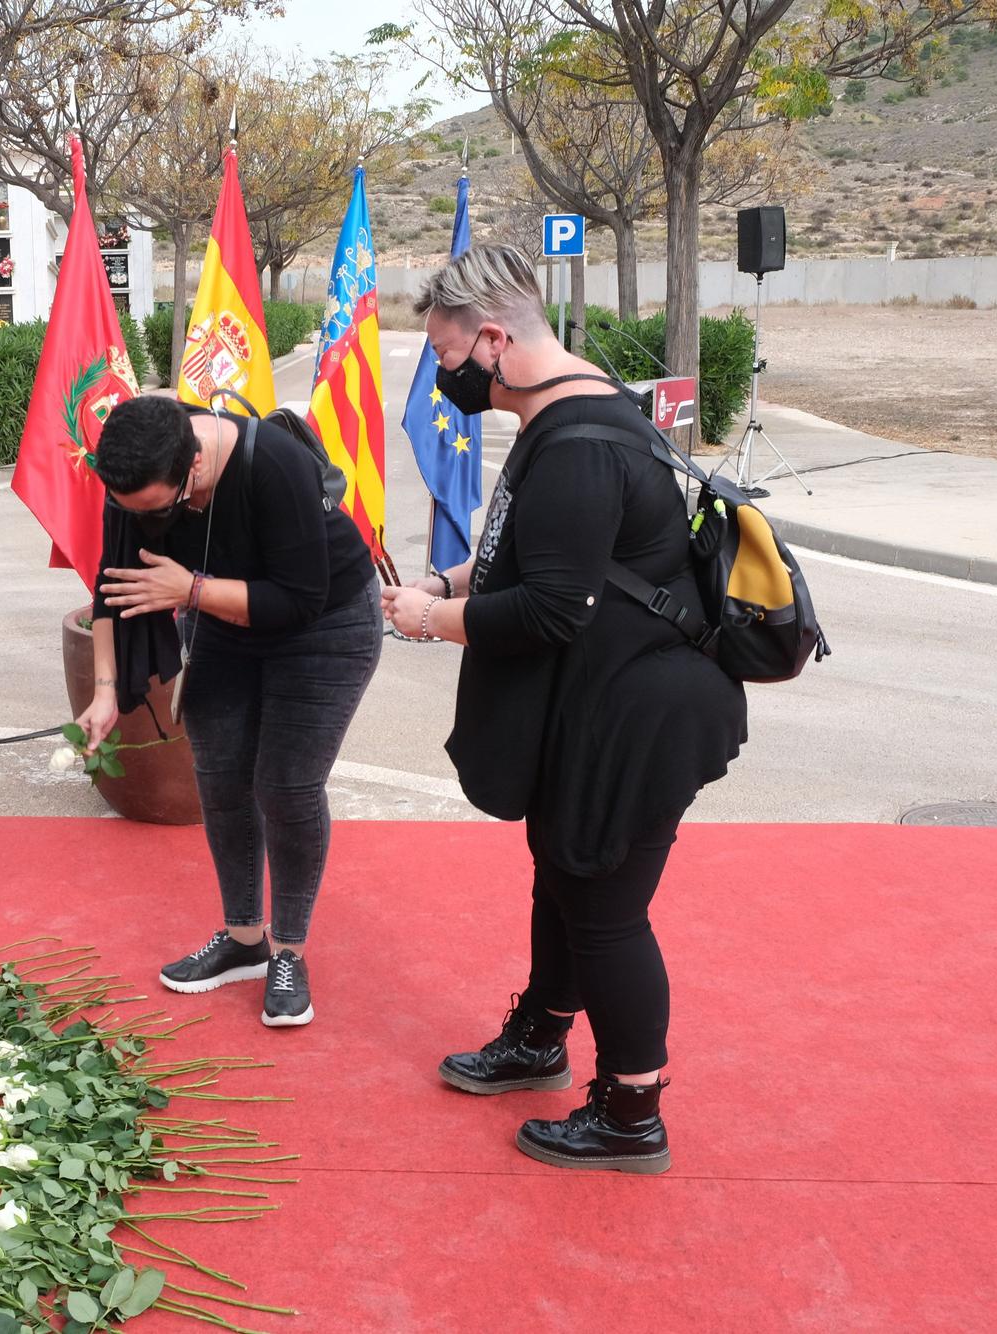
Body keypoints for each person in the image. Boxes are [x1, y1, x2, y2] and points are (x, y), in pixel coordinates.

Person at [380, 245, 747, 1174]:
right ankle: (540, 1038)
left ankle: (631, 1116)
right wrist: (452, 577)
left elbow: (550, 609)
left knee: (608, 913)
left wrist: (431, 617)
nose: (446, 377)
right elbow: (546, 561)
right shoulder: (578, 408)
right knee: (565, 879)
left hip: (638, 721)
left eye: (449, 356)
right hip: (603, 705)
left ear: (495, 339)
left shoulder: (580, 444)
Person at [76, 393, 381, 1028]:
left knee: (287, 785)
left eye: (158, 509)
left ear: (191, 465)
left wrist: (188, 590)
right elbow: (112, 584)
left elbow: (298, 601)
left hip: (324, 625)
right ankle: (245, 940)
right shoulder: (134, 475)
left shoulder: (273, 464)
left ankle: (289, 952)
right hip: (225, 621)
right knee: (219, 781)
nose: (147, 522)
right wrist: (105, 692)